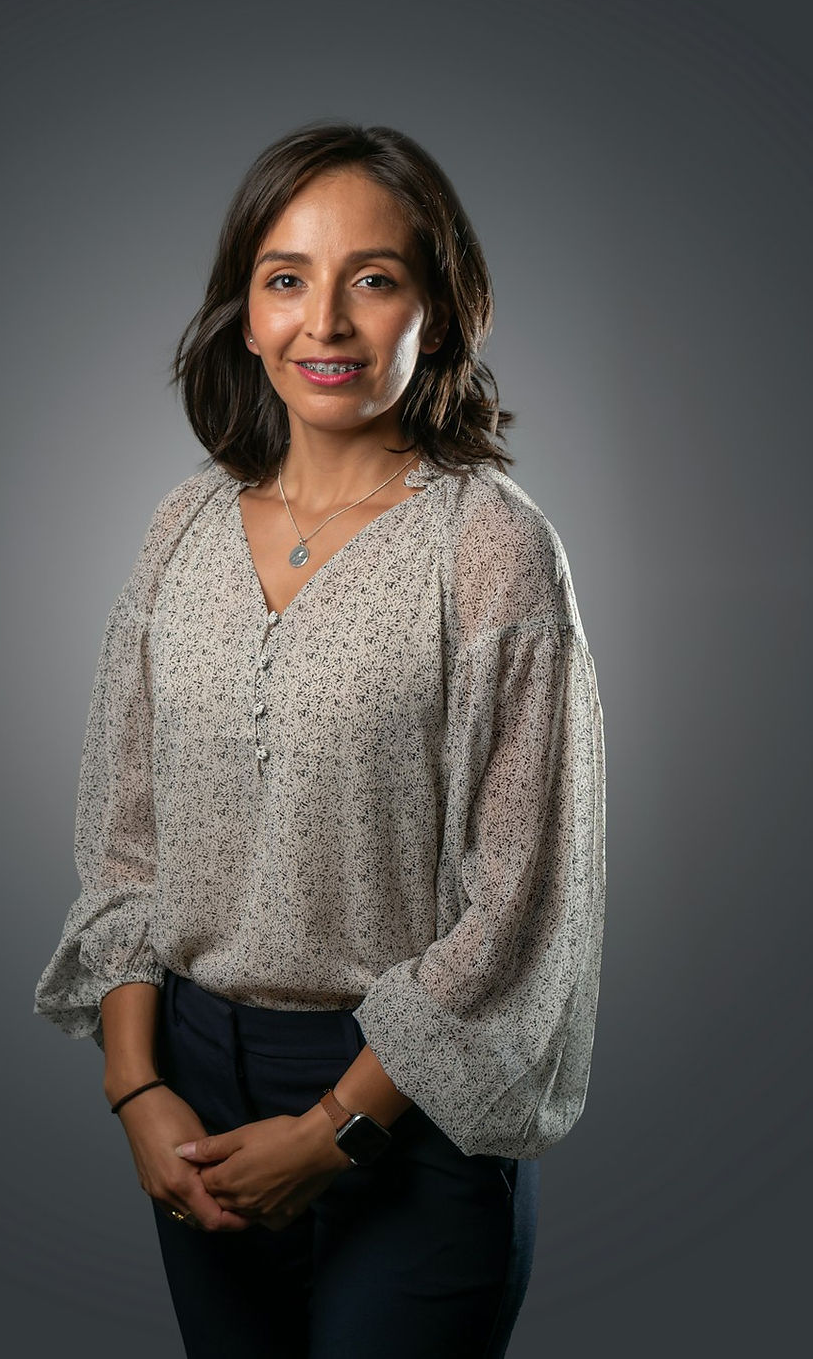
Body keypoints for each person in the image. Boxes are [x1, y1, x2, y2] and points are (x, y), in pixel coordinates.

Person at [34, 121, 606, 1359]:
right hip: (191, 1079)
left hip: (408, 1106)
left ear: (438, 315)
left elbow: (519, 902)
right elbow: (123, 838)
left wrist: (338, 1128)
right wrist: (134, 1087)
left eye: (374, 279)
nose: (326, 323)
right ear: (245, 315)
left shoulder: (488, 548)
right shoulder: (181, 523)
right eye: (286, 279)